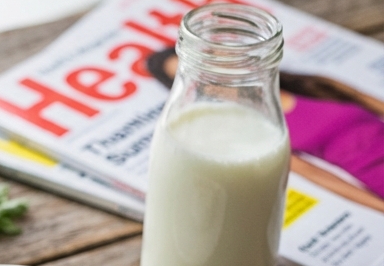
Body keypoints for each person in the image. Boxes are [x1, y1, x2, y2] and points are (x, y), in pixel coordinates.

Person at [147, 47, 384, 214]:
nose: (213, 75)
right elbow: (321, 177)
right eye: (196, 76)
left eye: (208, 61)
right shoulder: (259, 130)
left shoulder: (315, 84)